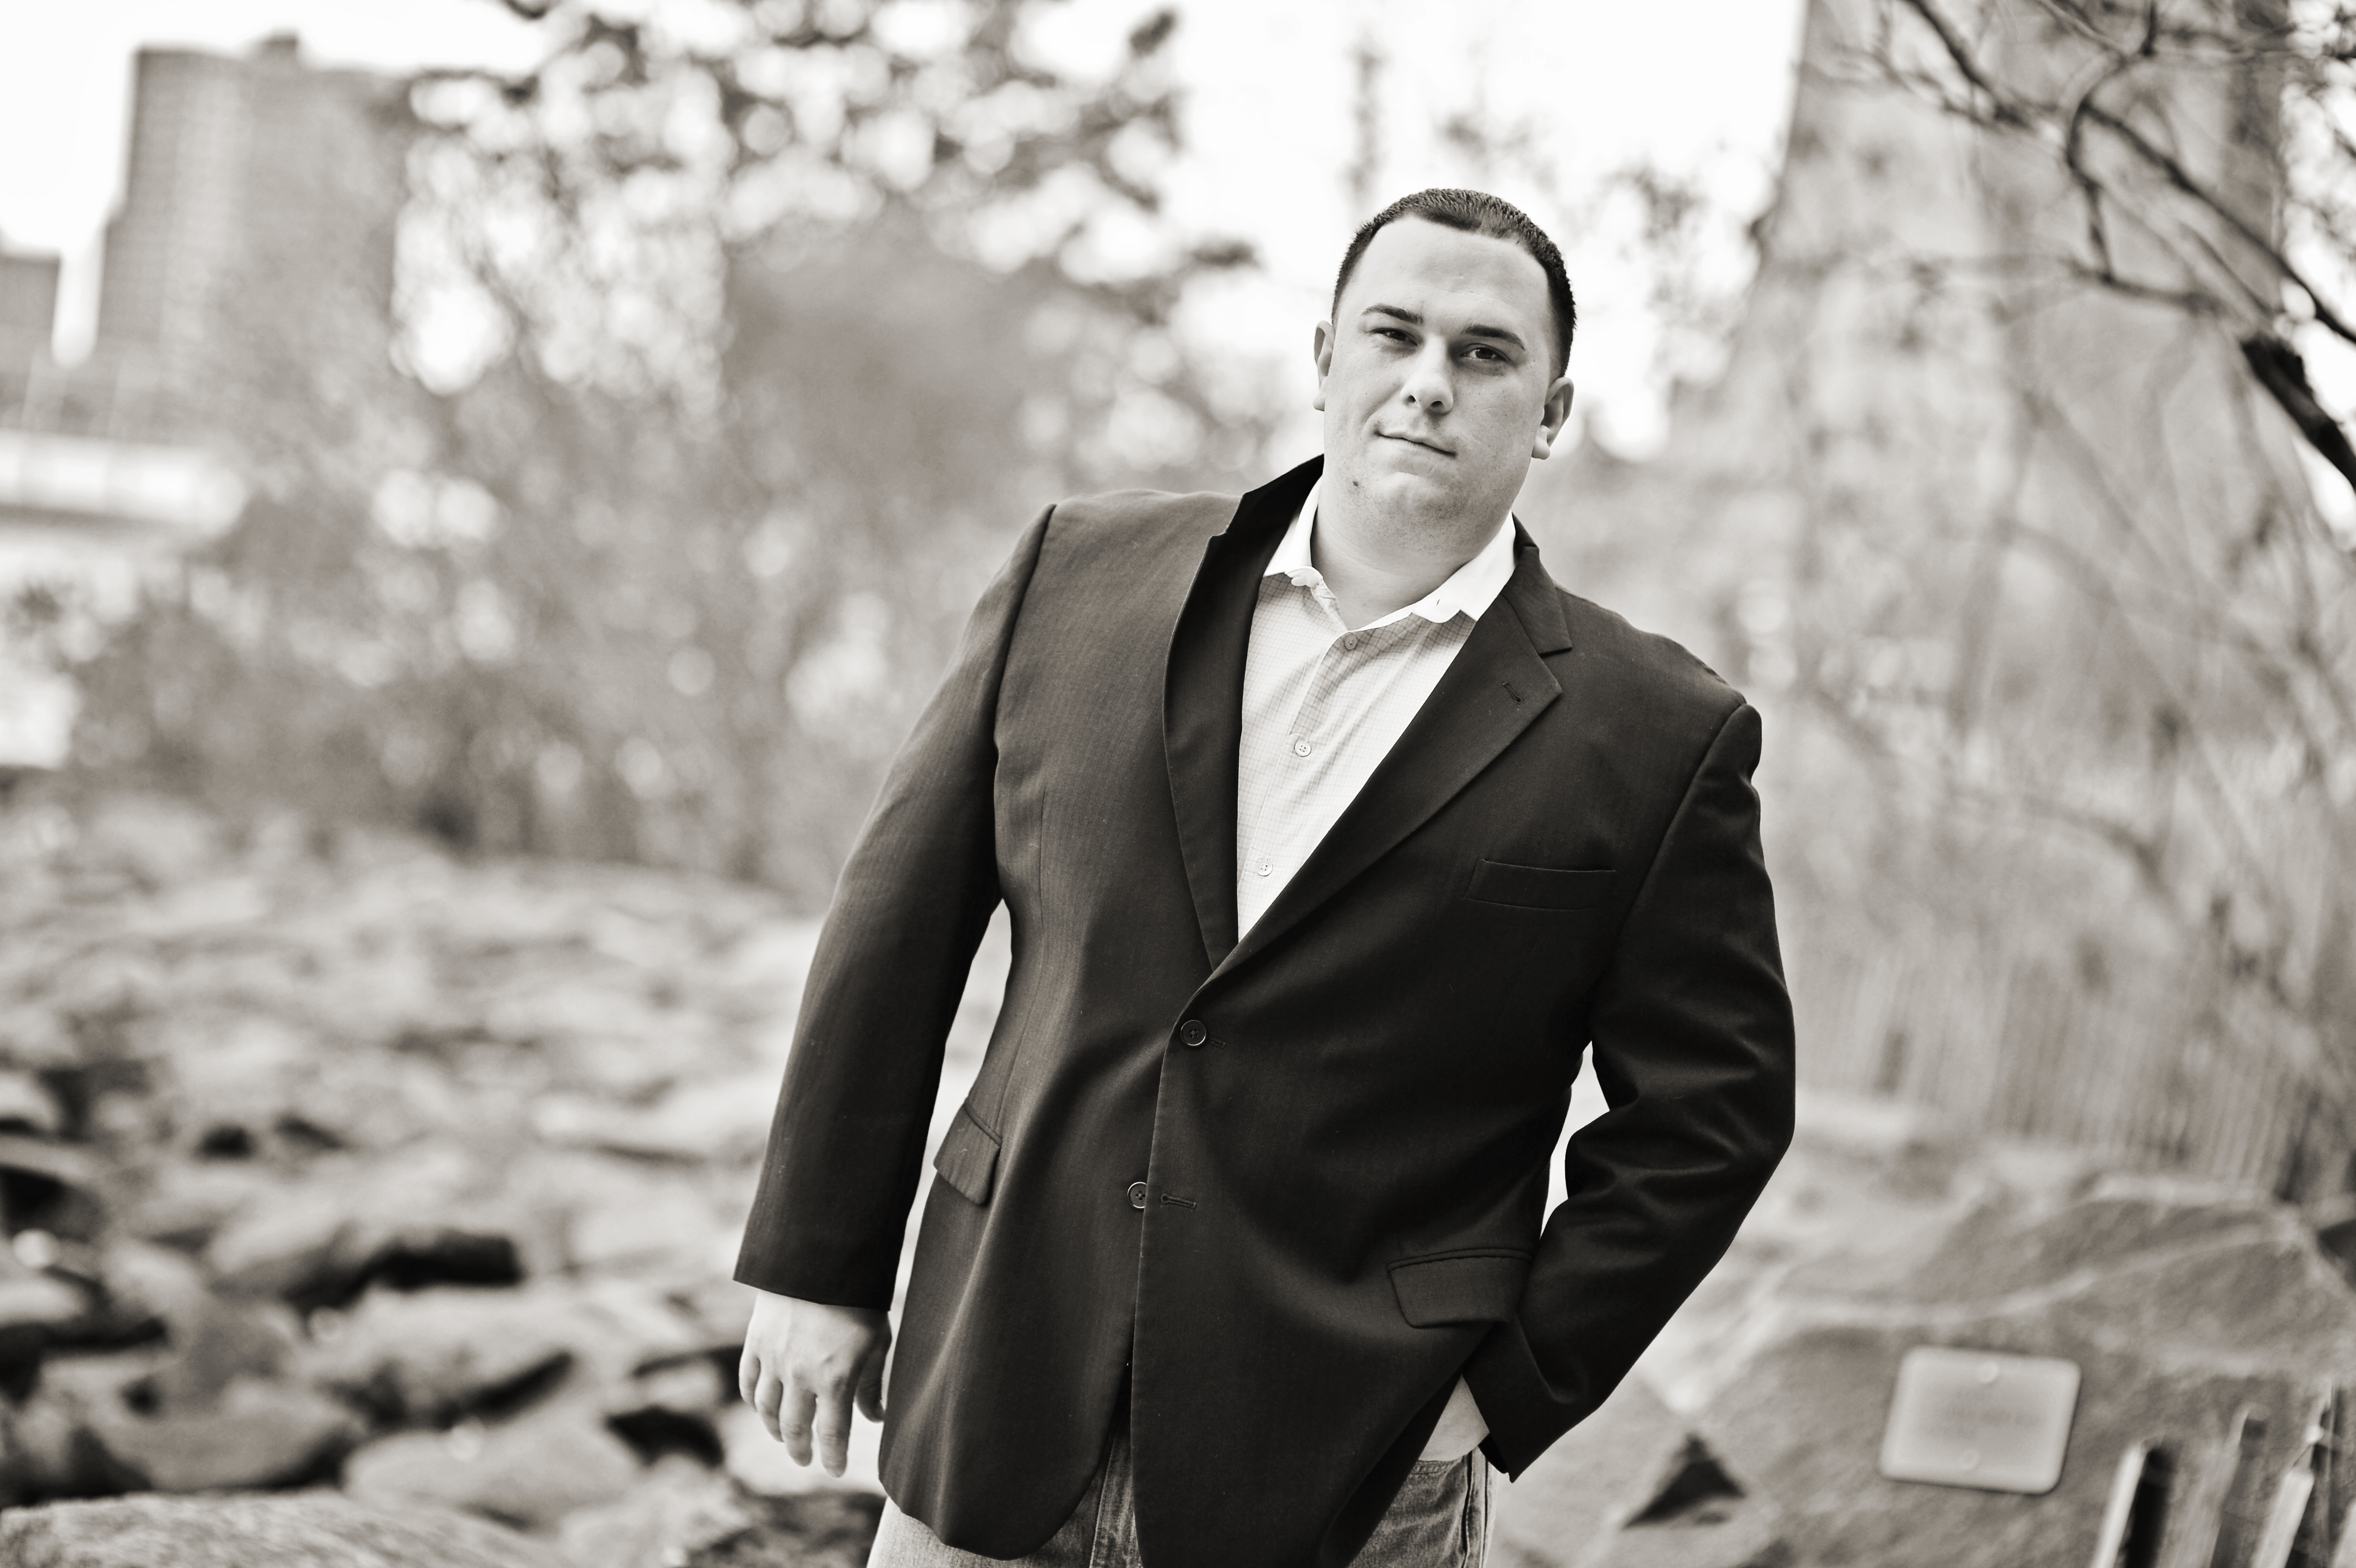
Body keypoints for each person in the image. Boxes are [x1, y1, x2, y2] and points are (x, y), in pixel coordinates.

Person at [734, 187, 1795, 1568]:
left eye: (1484, 354)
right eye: (1394, 335)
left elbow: (1715, 1112)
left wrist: (1495, 1393)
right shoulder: (1079, 574)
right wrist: (816, 1265)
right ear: (1326, 361)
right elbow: (898, 924)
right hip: (1000, 1379)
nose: (1429, 382)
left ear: (1551, 413)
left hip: (1350, 1474)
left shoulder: (1657, 734)